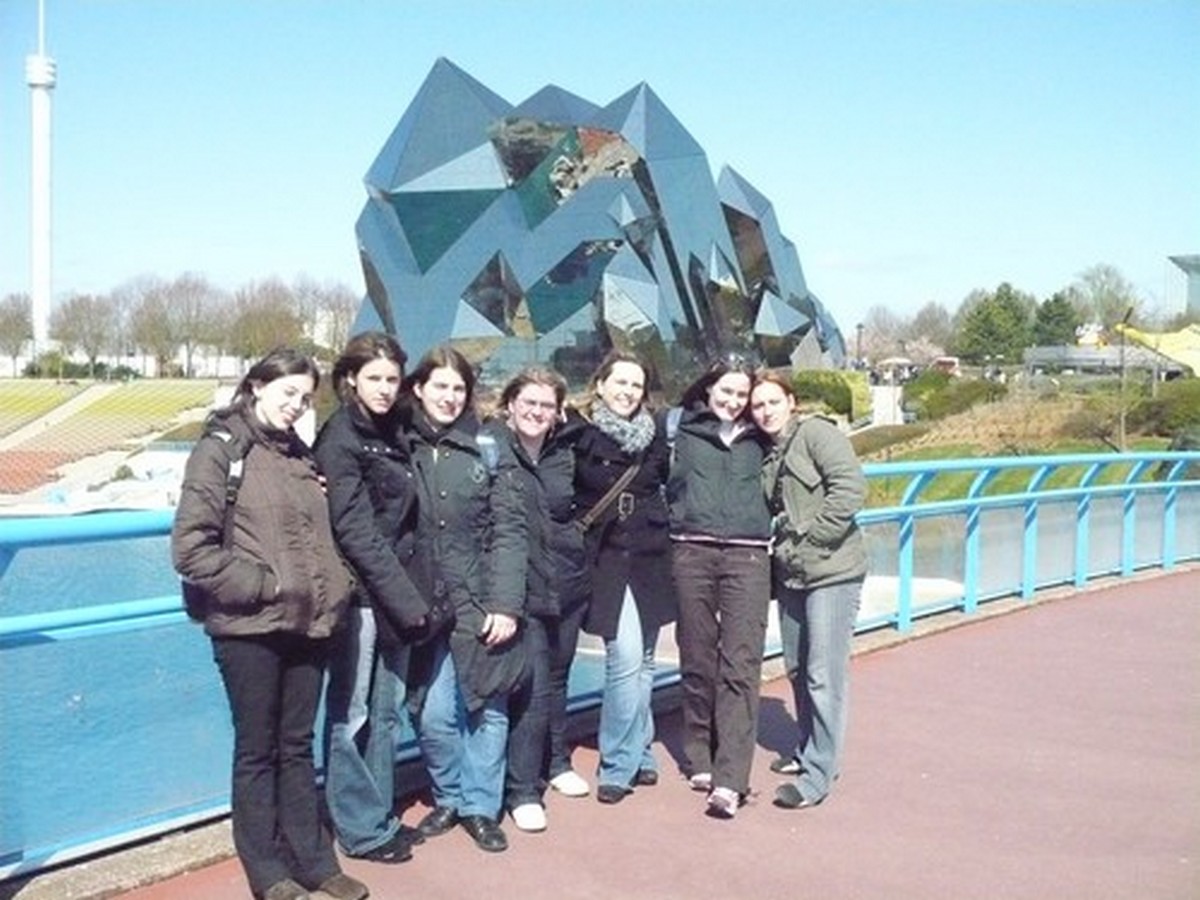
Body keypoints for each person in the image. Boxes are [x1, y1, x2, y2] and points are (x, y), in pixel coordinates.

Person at [171, 348, 367, 900]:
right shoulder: (219, 451)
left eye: (305, 398)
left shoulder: (297, 454)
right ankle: (266, 871)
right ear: (256, 386)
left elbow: (319, 535)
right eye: (288, 394)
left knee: (297, 746)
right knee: (257, 750)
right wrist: (266, 585)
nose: (296, 406)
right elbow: (190, 550)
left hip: (309, 622)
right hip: (248, 627)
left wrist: (338, 583)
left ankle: (314, 862)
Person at [403, 346, 528, 853]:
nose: (451, 397)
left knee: (488, 705)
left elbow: (510, 530)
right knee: (432, 714)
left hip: (480, 597)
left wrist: (506, 604)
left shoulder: (488, 446)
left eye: (459, 388)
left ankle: (479, 806)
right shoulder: (401, 443)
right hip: (423, 602)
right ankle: (449, 794)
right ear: (419, 389)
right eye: (441, 387)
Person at [312, 332, 431, 865]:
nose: (385, 388)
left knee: (384, 711)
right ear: (351, 380)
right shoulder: (340, 440)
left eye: (392, 379)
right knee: (352, 711)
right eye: (375, 378)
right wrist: (409, 602)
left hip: (395, 589)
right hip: (364, 596)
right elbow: (356, 532)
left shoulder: (395, 429)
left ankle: (377, 815)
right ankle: (358, 829)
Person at [749, 371, 868, 811]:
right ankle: (809, 748)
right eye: (757, 405)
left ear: (790, 401)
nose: (765, 411)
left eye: (772, 402)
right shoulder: (767, 452)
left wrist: (812, 538)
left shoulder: (817, 434)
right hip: (792, 574)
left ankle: (818, 776)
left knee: (824, 673)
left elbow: (851, 489)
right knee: (797, 666)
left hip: (833, 570)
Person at [666, 356, 773, 818]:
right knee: (697, 656)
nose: (732, 401)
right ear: (707, 390)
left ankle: (731, 780)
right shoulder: (681, 432)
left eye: (740, 394)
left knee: (741, 662)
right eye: (724, 391)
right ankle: (700, 755)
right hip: (691, 551)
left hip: (749, 555)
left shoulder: (763, 439)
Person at [571, 350, 675, 805]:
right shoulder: (579, 433)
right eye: (621, 382)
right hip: (607, 557)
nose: (629, 392)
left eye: (636, 385)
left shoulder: (655, 438)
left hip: (651, 554)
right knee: (625, 656)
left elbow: (667, 485)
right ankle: (617, 761)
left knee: (647, 661)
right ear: (600, 384)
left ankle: (641, 752)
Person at [494, 367, 590, 831]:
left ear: (559, 413)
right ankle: (522, 789)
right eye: (528, 402)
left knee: (558, 676)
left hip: (566, 582)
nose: (536, 412)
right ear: (510, 403)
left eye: (546, 405)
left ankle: (556, 762)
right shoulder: (492, 449)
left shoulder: (565, 453)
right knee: (530, 687)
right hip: (520, 586)